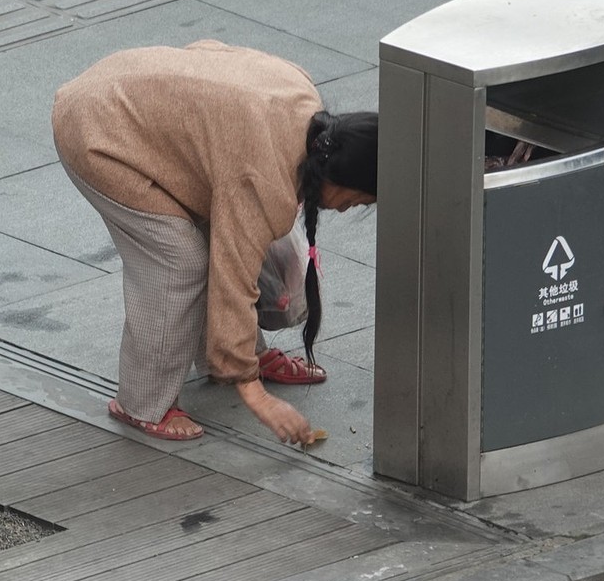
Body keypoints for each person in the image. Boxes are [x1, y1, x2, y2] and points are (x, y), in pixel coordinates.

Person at [51, 40, 378, 444]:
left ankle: (226, 355)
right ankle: (141, 402)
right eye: (357, 199)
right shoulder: (262, 177)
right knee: (179, 261)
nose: (347, 209)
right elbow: (234, 276)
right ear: (340, 176)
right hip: (98, 131)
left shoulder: (302, 96)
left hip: (125, 86)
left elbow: (209, 48)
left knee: (225, 232)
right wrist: (255, 393)